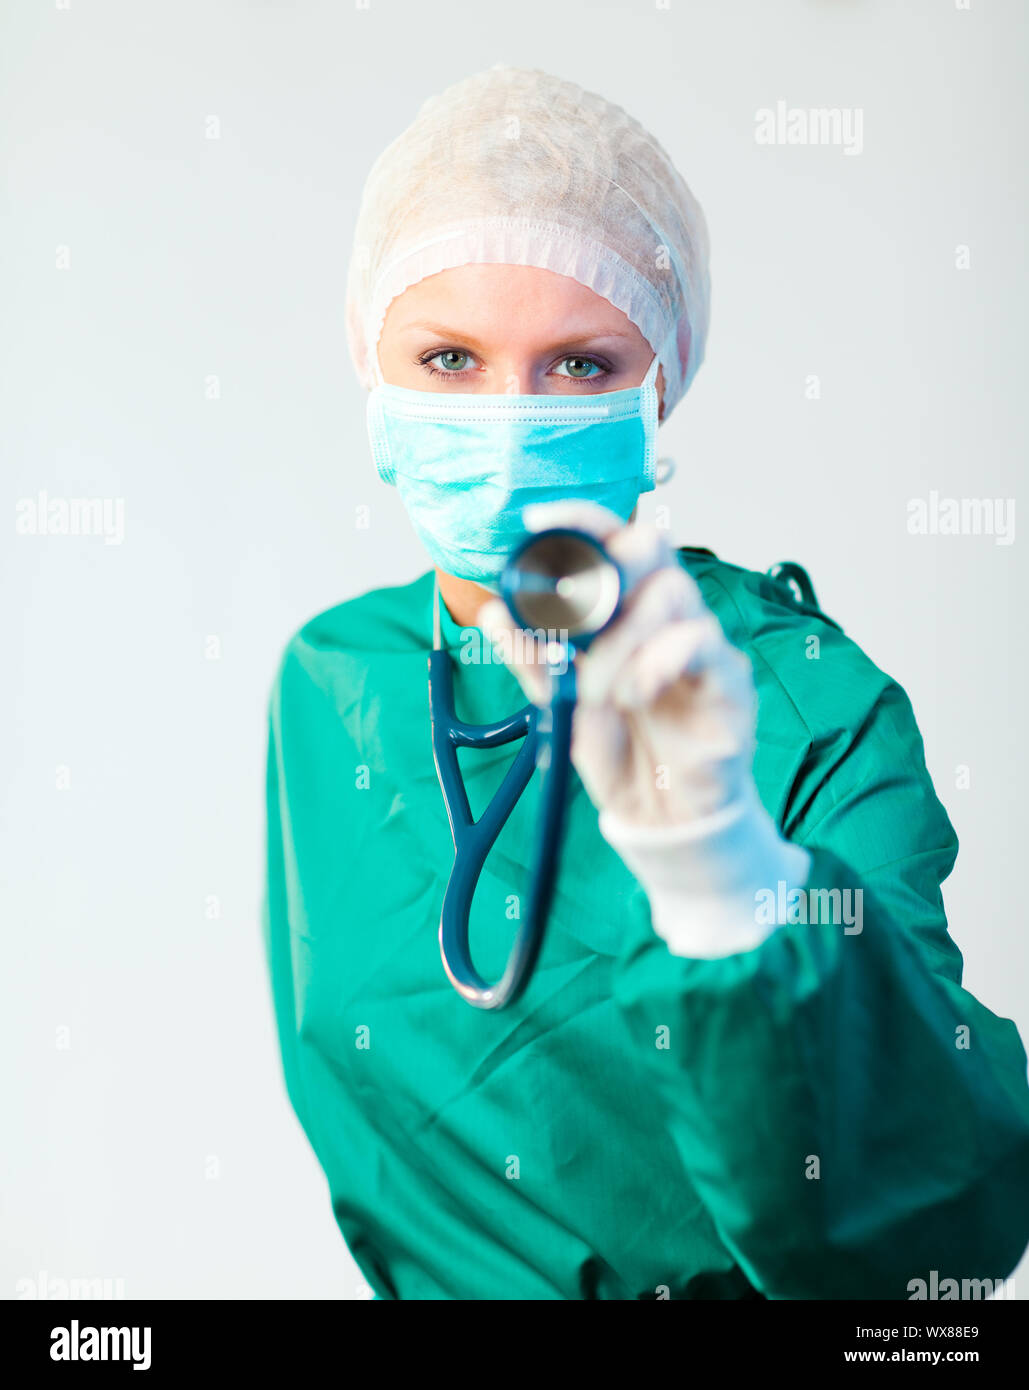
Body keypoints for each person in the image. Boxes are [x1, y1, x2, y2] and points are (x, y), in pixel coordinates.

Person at [262, 65, 1029, 1300]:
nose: (509, 421)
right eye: (450, 357)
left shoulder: (805, 707)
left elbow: (939, 1235)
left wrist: (724, 873)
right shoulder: (330, 686)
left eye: (577, 366)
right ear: (370, 360)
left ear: (660, 381)